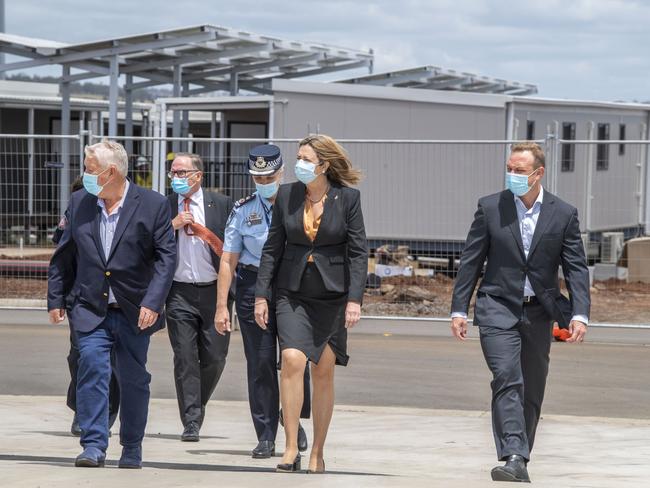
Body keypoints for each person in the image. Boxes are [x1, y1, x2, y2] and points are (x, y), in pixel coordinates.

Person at [450, 142, 590, 483]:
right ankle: (513, 453)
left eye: (519, 170)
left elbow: (576, 268)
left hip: (540, 312)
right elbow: (471, 260)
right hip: (497, 306)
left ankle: (520, 457)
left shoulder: (563, 213)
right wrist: (459, 308)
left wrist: (580, 313)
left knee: (532, 387)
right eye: (509, 169)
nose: (512, 175)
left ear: (538, 173)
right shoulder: (490, 207)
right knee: (507, 378)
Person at [47, 140, 176, 469]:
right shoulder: (80, 203)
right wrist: (56, 298)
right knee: (91, 369)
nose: (85, 175)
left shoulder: (153, 204)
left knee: (133, 380)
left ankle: (131, 446)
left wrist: (153, 301)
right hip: (89, 309)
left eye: (89, 170)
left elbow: (166, 259)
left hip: (135, 312)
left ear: (111, 172)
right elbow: (64, 255)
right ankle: (93, 445)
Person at [254, 134, 368, 473]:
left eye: (306, 158)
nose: (300, 164)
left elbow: (360, 252)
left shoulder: (348, 198)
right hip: (292, 293)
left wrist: (355, 299)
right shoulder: (287, 194)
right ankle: (290, 446)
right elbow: (272, 247)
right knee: (291, 360)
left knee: (322, 371)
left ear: (324, 164)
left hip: (332, 297)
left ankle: (317, 450)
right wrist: (261, 294)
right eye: (298, 157)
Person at [215, 144, 310, 459]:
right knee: (260, 363)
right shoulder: (243, 210)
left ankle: (293, 420)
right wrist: (220, 306)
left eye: (269, 175)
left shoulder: (299, 205)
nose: (264, 181)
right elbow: (228, 260)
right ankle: (266, 434)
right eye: (257, 177)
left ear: (281, 173)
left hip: (291, 287)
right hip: (251, 285)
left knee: (296, 359)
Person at [166, 152, 233, 442]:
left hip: (214, 291)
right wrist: (173, 225)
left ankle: (197, 404)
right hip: (179, 291)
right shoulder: (165, 206)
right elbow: (148, 242)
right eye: (173, 173)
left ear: (198, 175)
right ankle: (191, 419)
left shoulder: (221, 205)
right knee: (184, 357)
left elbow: (232, 248)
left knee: (215, 357)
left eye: (182, 172)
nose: (177, 178)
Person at [52, 176, 120, 437]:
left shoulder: (123, 207)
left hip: (115, 299)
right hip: (80, 297)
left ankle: (100, 415)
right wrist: (57, 297)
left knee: (109, 362)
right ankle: (81, 407)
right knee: (80, 356)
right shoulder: (78, 201)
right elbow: (61, 249)